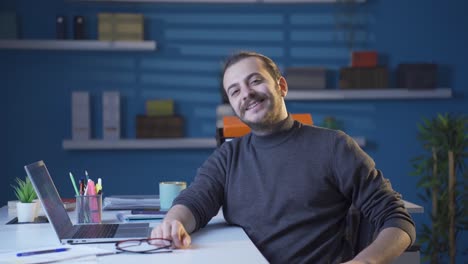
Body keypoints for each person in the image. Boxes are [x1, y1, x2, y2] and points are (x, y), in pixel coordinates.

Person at [151, 51, 416, 263]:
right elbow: (196, 201)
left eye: (255, 80)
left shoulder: (334, 146)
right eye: (234, 91)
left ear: (281, 86)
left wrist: (365, 262)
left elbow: (396, 218)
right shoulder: (228, 155)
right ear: (232, 105)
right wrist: (172, 223)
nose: (246, 93)